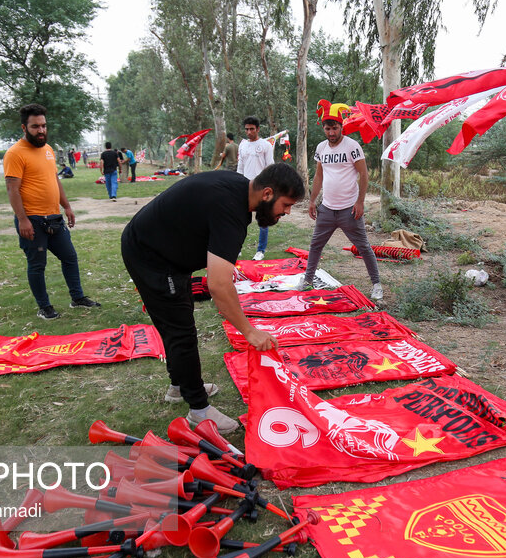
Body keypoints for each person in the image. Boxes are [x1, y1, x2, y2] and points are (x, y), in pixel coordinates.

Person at [121, 163, 305, 433]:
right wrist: (249, 332)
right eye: (286, 205)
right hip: (151, 257)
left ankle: (179, 387)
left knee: (179, 324)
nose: (286, 213)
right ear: (267, 193)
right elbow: (219, 284)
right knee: (181, 332)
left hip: (164, 253)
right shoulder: (230, 211)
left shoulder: (238, 190)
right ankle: (198, 409)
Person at [4, 103, 101, 320]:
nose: (41, 131)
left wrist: (66, 206)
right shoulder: (15, 153)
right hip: (32, 220)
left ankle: (77, 298)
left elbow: (53, 180)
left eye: (44, 126)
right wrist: (23, 220)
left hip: (54, 218)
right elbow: (12, 189)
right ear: (24, 128)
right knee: (37, 265)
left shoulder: (48, 150)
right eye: (35, 126)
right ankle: (44, 307)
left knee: (70, 258)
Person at [303, 99, 382, 300]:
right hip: (327, 209)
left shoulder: (352, 146)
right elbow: (319, 175)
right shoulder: (321, 148)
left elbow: (363, 175)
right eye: (328, 129)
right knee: (315, 245)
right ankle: (307, 280)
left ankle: (376, 285)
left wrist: (360, 202)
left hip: (349, 210)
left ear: (341, 127)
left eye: (335, 128)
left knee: (363, 247)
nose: (331, 133)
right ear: (324, 129)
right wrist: (313, 201)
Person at [236, 117, 275, 261]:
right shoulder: (243, 145)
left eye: (252, 129)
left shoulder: (265, 145)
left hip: (261, 188)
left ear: (258, 129)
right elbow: (240, 166)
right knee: (240, 219)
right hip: (244, 186)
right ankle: (237, 247)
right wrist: (237, 182)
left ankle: (260, 251)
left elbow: (270, 167)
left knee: (262, 220)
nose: (249, 132)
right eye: (246, 129)